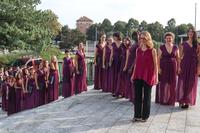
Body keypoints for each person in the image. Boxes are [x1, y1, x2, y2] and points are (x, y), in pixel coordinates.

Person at [131, 31, 158, 122]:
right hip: (137, 75)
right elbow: (136, 64)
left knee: (147, 97)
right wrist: (133, 75)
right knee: (137, 96)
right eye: (140, 38)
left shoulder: (152, 50)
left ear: (147, 39)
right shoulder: (137, 50)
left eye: (143, 38)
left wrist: (156, 77)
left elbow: (155, 65)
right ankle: (137, 115)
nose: (141, 40)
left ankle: (145, 116)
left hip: (148, 76)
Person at [177, 27, 199, 109]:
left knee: (191, 83)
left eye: (192, 32)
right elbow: (179, 57)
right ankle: (183, 101)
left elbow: (199, 57)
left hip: (193, 65)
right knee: (183, 82)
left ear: (194, 34)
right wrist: (179, 66)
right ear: (187, 33)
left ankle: (187, 100)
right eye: (189, 32)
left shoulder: (197, 44)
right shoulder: (183, 44)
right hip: (185, 64)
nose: (190, 33)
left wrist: (198, 68)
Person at [155, 32, 179, 106]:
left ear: (172, 39)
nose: (169, 39)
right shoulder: (161, 47)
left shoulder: (176, 47)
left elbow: (178, 58)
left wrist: (179, 67)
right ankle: (163, 99)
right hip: (164, 67)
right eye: (167, 38)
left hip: (173, 67)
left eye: (170, 38)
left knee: (172, 83)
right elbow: (158, 59)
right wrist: (158, 68)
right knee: (163, 83)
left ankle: (171, 100)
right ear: (165, 39)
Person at [126, 31, 140, 103]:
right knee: (131, 81)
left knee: (134, 82)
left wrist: (132, 67)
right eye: (134, 35)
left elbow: (137, 57)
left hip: (135, 64)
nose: (136, 37)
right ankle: (131, 96)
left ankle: (135, 98)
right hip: (130, 63)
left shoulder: (139, 44)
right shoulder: (134, 43)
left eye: (137, 35)